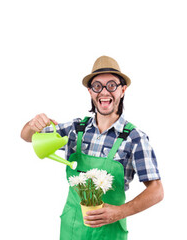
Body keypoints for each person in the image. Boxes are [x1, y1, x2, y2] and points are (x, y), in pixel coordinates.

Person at [20, 56, 163, 240]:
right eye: (97, 86)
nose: (104, 92)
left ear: (123, 90)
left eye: (112, 85)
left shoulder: (134, 138)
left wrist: (120, 212)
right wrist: (34, 124)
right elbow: (27, 137)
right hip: (72, 230)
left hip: (109, 233)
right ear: (90, 91)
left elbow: (157, 191)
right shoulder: (75, 130)